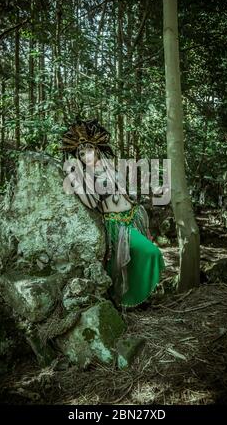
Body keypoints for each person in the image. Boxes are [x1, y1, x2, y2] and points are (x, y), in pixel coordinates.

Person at [60, 118, 166, 311]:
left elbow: (127, 190)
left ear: (97, 149)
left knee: (134, 258)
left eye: (89, 150)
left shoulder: (109, 165)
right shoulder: (83, 175)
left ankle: (134, 300)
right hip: (117, 223)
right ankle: (123, 297)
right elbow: (91, 203)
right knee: (149, 253)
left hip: (133, 216)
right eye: (81, 153)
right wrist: (74, 177)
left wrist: (147, 194)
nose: (85, 156)